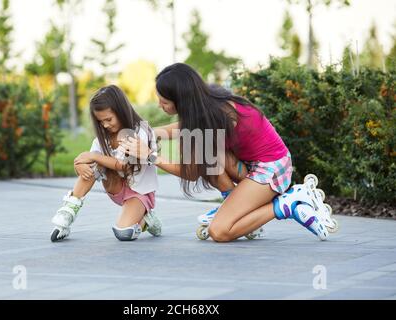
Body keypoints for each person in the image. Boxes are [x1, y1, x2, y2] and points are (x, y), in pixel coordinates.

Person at [121, 63, 337, 242]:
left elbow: (191, 172)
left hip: (272, 169)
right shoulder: (208, 104)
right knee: (213, 159)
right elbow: (183, 128)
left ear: (182, 100)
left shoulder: (213, 118)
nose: (160, 105)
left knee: (220, 231)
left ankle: (288, 205)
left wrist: (150, 155)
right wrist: (150, 133)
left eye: (164, 102)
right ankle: (235, 207)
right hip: (251, 164)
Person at [50, 85, 162, 242]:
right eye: (100, 121)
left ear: (121, 111)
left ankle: (146, 220)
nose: (105, 125)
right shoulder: (104, 137)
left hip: (139, 192)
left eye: (108, 119)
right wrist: (80, 164)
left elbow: (125, 165)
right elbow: (90, 162)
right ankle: (70, 208)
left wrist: (93, 157)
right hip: (115, 187)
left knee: (124, 233)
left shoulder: (140, 130)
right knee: (94, 160)